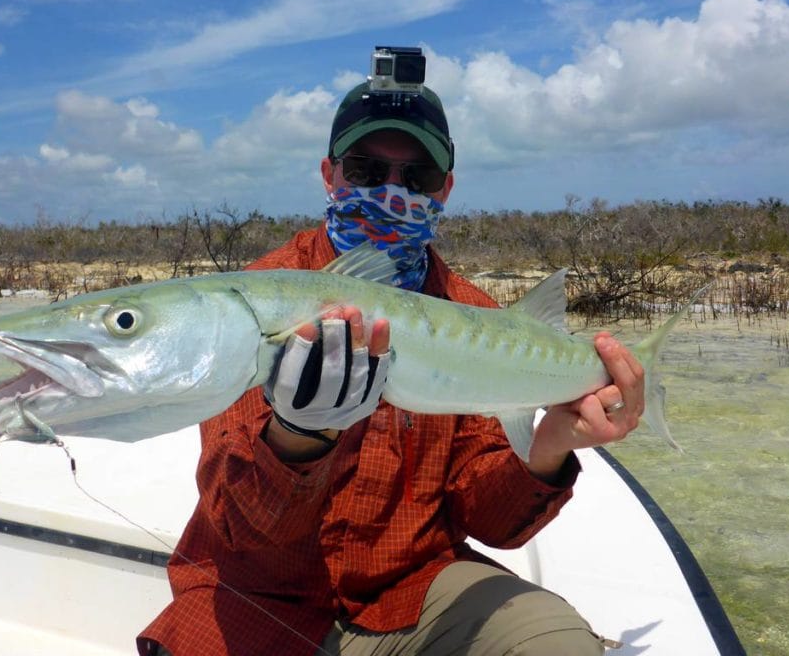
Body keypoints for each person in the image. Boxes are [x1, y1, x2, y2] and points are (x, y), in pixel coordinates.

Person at [138, 76, 646, 656]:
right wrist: (297, 438)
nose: (392, 191)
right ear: (330, 174)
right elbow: (243, 533)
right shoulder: (255, 300)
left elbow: (493, 523)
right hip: (259, 599)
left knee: (556, 643)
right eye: (366, 170)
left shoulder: (472, 313)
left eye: (417, 177)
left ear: (445, 189)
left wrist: (550, 445)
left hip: (412, 590)